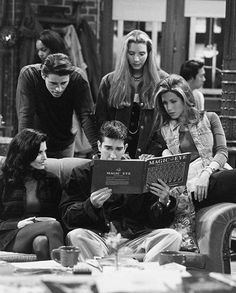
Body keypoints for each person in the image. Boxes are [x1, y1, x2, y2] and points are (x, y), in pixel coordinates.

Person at [59, 120, 182, 262]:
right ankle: (112, 268)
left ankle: (142, 275)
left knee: (172, 236)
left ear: (125, 148)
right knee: (76, 235)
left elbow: (155, 222)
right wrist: (91, 204)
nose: (112, 155)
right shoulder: (81, 173)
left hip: (134, 239)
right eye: (108, 148)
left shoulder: (139, 172)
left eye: (118, 149)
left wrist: (163, 202)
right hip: (99, 239)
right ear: (99, 146)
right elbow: (67, 216)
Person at [154, 74, 236, 250]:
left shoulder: (210, 118)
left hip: (211, 176)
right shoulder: (165, 130)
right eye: (165, 103)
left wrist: (205, 175)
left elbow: (222, 152)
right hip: (188, 190)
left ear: (185, 97)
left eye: (173, 101)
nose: (168, 107)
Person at [96, 30, 168, 159]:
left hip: (149, 153)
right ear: (125, 54)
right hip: (117, 152)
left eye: (141, 54)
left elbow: (165, 123)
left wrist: (154, 151)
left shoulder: (162, 80)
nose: (136, 59)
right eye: (131, 53)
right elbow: (101, 120)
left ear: (149, 54)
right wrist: (112, 151)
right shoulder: (109, 81)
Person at [16, 53, 98, 158]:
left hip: (65, 142)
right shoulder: (29, 75)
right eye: (53, 83)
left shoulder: (77, 78)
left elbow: (86, 115)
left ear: (69, 76)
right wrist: (24, 150)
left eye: (63, 83)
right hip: (36, 144)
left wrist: (97, 150)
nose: (58, 89)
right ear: (43, 75)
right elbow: (25, 115)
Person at [0, 129, 64, 260]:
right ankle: (65, 272)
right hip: (9, 235)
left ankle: (46, 277)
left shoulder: (51, 181)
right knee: (53, 226)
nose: (45, 157)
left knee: (41, 243)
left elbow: (60, 214)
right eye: (39, 152)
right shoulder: (4, 181)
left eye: (45, 151)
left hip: (42, 233)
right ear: (25, 154)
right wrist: (17, 224)